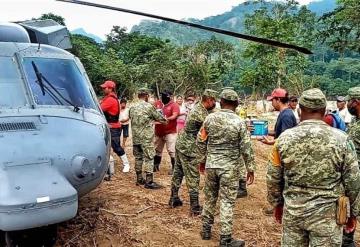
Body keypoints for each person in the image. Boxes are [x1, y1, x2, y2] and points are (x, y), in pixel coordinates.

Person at [267, 88, 360, 247]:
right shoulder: (342, 140)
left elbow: (273, 177)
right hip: (327, 217)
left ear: (299, 108)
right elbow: (353, 181)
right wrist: (354, 213)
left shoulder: (283, 139)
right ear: (324, 110)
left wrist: (277, 204)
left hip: (294, 214)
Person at [198, 89, 255, 247]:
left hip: (211, 165)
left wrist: (202, 160)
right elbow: (246, 147)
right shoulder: (238, 122)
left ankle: (206, 230)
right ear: (236, 104)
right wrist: (250, 168)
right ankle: (225, 238)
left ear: (220, 102)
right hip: (229, 168)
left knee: (209, 198)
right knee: (227, 201)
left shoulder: (209, 119)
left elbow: (201, 140)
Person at [169, 89, 217, 215]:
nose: (215, 103)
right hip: (189, 148)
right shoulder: (200, 113)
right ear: (209, 100)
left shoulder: (199, 108)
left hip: (181, 144)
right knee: (193, 176)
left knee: (178, 172)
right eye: (214, 101)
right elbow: (212, 127)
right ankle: (194, 207)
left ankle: (173, 198)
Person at [129, 88, 167, 189]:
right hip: (146, 138)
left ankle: (139, 179)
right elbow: (161, 119)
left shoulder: (132, 107)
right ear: (146, 96)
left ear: (138, 96)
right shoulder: (149, 107)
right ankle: (149, 181)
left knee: (138, 158)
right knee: (149, 158)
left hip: (136, 138)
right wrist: (165, 119)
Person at [100, 80, 130, 174]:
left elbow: (99, 109)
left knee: (116, 147)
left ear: (110, 88)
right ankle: (107, 164)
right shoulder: (108, 98)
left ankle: (126, 164)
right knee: (105, 146)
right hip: (110, 126)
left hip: (113, 127)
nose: (103, 89)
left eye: (105, 88)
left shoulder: (110, 100)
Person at [343, 86, 360, 246]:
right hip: (353, 176)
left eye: (349, 101)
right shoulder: (355, 121)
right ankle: (347, 240)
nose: (347, 104)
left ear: (356, 102)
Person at [154, 91, 180, 175]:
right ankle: (155, 165)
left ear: (169, 97)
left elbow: (175, 115)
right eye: (162, 96)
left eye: (164, 96)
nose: (162, 97)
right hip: (159, 131)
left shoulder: (174, 105)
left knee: (171, 150)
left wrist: (167, 119)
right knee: (157, 149)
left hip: (170, 131)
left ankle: (174, 168)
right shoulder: (158, 103)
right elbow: (152, 113)